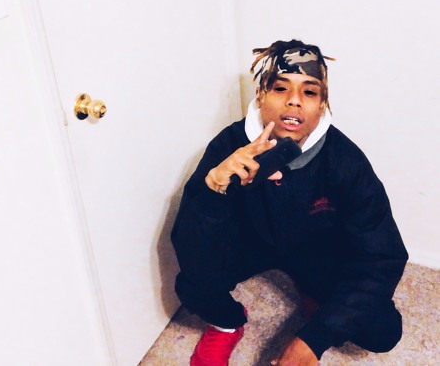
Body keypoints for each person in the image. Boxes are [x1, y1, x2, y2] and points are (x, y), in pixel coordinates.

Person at [171, 39, 408, 365]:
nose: (294, 100)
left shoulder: (345, 161)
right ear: (260, 95)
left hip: (316, 248)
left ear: (323, 105)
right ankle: (227, 324)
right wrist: (214, 188)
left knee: (382, 330)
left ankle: (312, 293)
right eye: (280, 88)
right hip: (250, 241)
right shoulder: (229, 146)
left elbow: (382, 256)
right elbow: (189, 245)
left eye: (309, 92)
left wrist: (315, 338)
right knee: (192, 283)